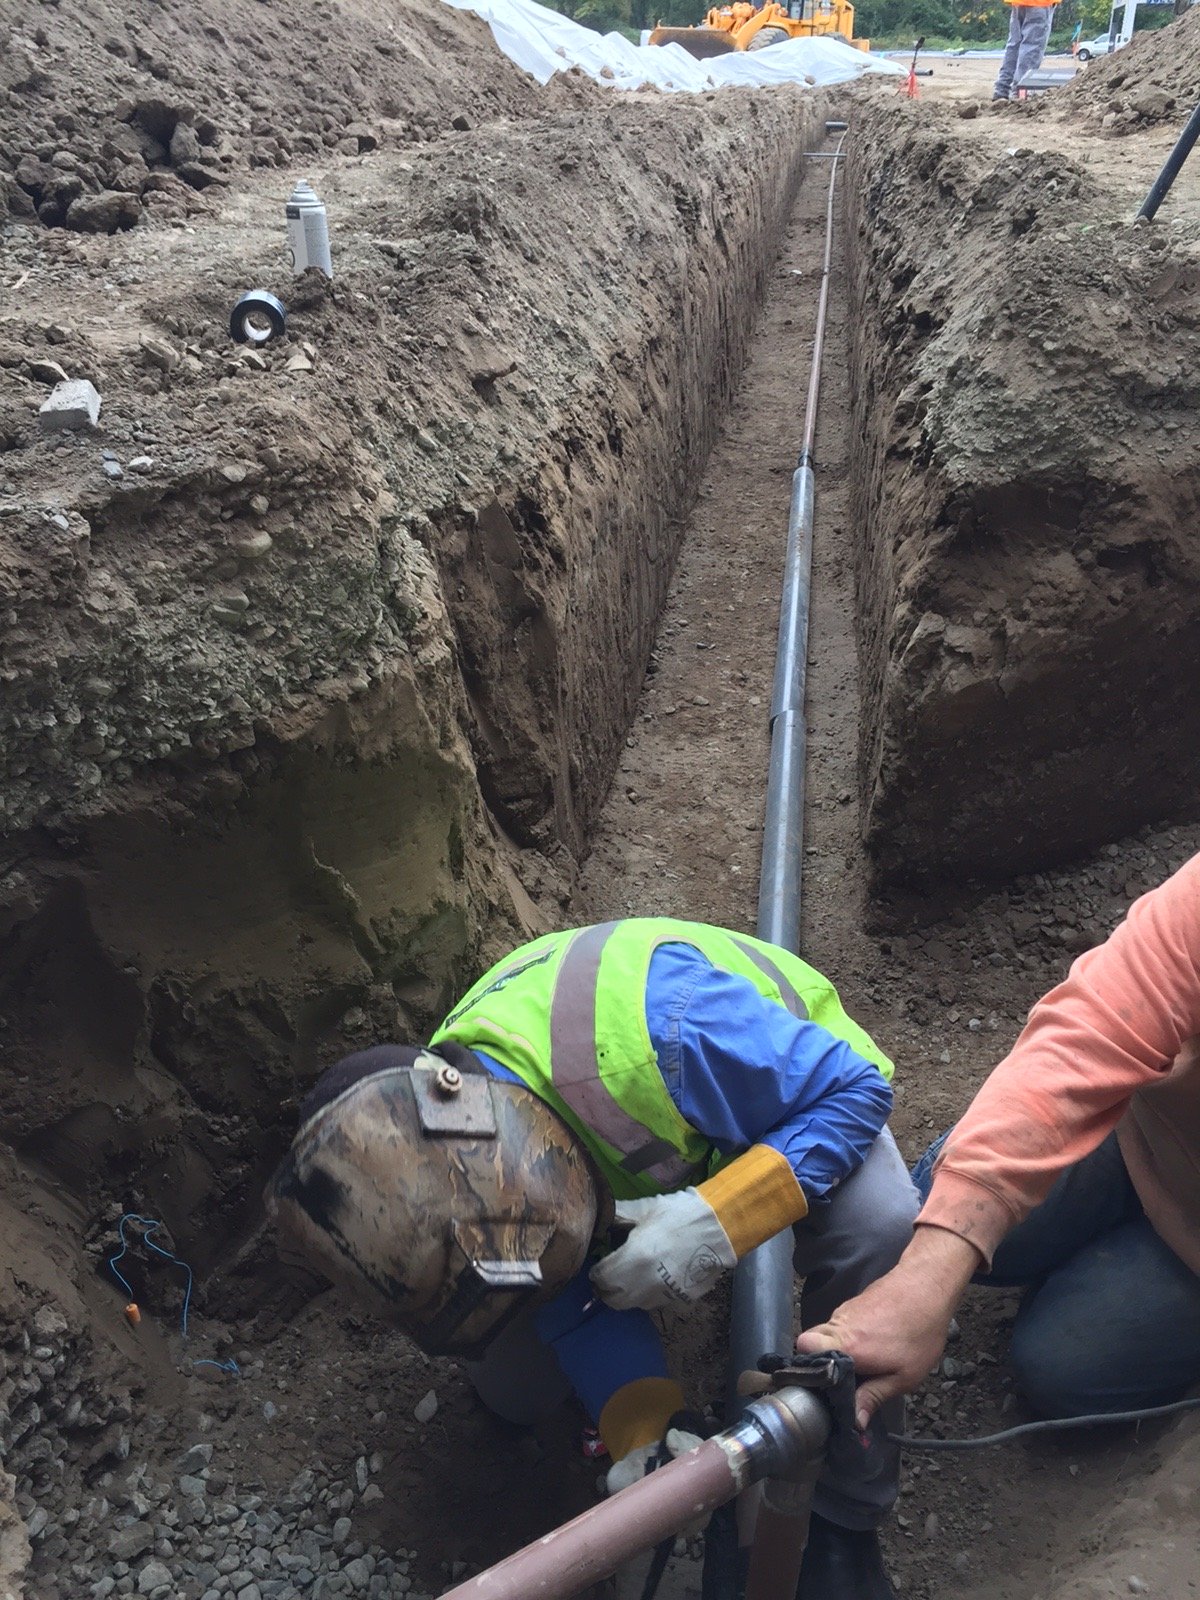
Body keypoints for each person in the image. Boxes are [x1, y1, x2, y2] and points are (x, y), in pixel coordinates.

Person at [268, 917, 919, 1600]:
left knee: (878, 1223)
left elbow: (855, 1091)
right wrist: (643, 1429)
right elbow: (557, 1293)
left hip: (793, 1097)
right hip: (614, 1155)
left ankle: (846, 1516)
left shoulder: (665, 1032)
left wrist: (724, 1215)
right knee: (513, 1390)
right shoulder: (424, 1132)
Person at [798, 852, 1200, 1434]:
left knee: (1063, 1371)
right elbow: (1085, 1037)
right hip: (1147, 1136)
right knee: (933, 1197)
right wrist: (928, 1275)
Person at [993, 0, 1057, 101]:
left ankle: (1002, 89)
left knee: (1014, 44)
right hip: (1040, 3)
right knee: (1032, 47)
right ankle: (1021, 91)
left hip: (1019, 2)